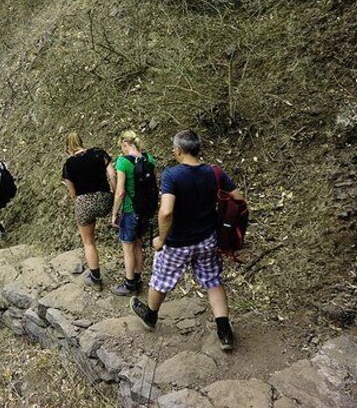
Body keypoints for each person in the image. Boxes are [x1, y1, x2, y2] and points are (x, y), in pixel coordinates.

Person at [130, 129, 244, 351]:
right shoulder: (214, 172)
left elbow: (166, 213)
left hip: (178, 242)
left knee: (161, 280)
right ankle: (225, 332)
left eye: (174, 149)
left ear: (179, 150)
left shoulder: (172, 175)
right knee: (213, 281)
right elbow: (238, 198)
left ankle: (151, 316)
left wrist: (161, 240)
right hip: (207, 239)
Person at [61, 132, 115, 291]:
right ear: (81, 142)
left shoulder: (68, 164)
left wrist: (81, 201)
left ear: (68, 147)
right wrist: (116, 195)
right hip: (106, 199)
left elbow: (72, 193)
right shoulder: (99, 153)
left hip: (85, 202)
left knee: (89, 242)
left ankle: (96, 279)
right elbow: (112, 174)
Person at [110, 130, 156, 296]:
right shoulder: (149, 158)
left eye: (121, 146)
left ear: (125, 144)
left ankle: (129, 284)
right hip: (145, 211)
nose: (121, 150)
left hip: (130, 210)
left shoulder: (122, 162)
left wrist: (114, 212)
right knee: (138, 243)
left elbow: (120, 191)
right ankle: (138, 279)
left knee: (127, 247)